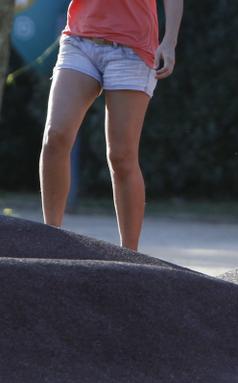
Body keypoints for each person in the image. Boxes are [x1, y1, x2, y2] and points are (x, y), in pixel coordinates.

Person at [39, 0, 184, 251]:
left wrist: (169, 41)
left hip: (133, 49)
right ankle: (51, 239)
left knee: (121, 156)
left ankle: (129, 257)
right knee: (55, 136)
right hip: (79, 39)